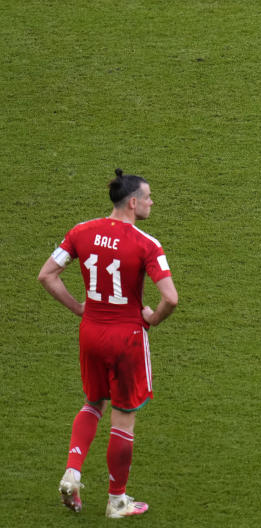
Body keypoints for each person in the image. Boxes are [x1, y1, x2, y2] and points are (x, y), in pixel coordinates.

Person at [38, 169, 178, 518]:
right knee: (124, 416)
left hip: (91, 332)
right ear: (132, 202)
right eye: (147, 197)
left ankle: (73, 471)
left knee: (92, 402)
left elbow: (47, 275)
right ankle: (117, 501)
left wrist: (78, 308)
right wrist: (153, 318)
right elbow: (170, 299)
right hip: (126, 337)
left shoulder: (80, 232)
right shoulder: (147, 244)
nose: (151, 202)